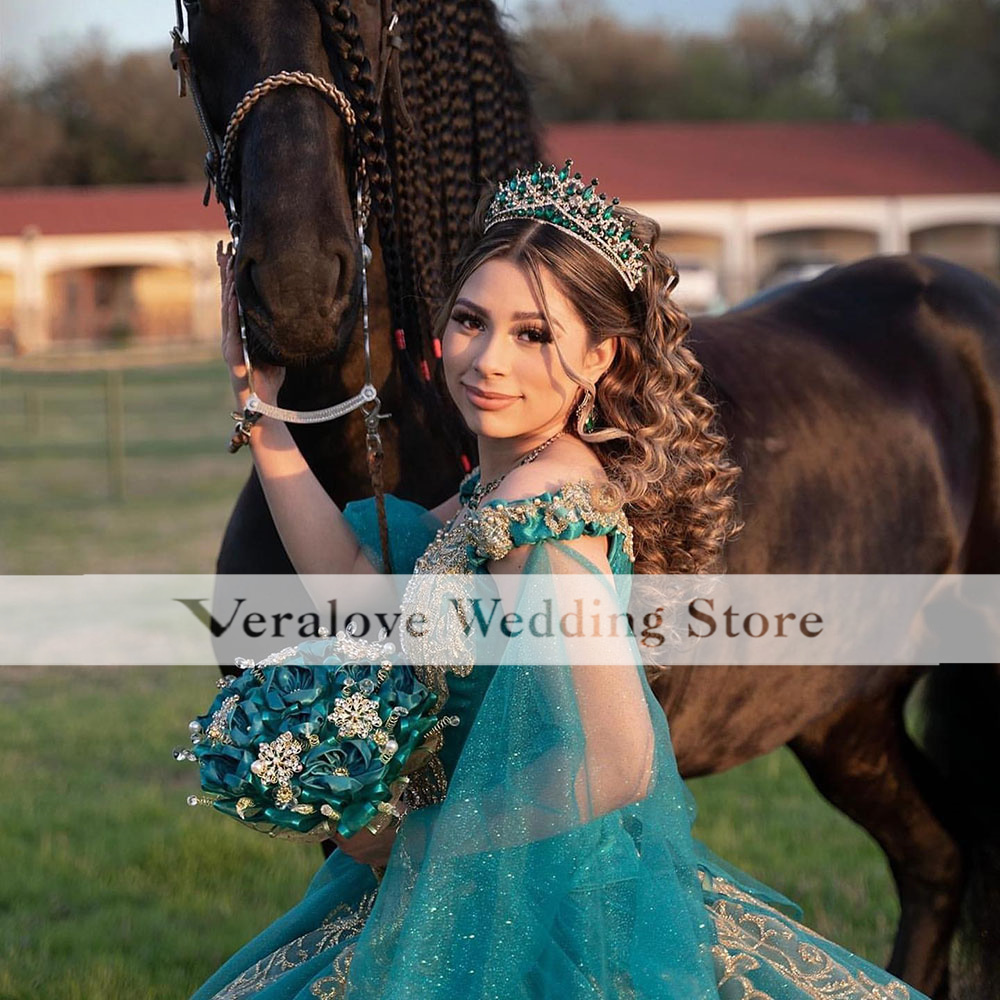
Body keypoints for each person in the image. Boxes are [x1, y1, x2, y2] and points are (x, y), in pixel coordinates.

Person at [190, 163, 929, 1000]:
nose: (487, 360)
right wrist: (262, 413)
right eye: (471, 320)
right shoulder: (508, 481)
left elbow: (616, 761)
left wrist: (420, 839)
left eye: (533, 333)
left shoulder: (546, 517)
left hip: (535, 914)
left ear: (599, 355)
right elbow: (357, 576)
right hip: (486, 882)